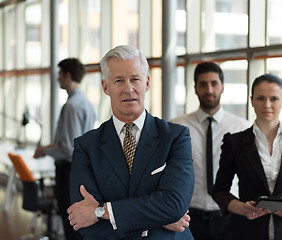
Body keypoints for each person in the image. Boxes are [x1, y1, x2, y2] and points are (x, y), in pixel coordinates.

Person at [66, 45, 195, 240]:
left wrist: (101, 211)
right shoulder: (86, 146)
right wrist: (158, 219)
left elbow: (174, 206)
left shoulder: (176, 137)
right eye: (119, 80)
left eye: (135, 79)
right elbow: (83, 221)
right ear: (105, 87)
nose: (129, 88)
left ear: (147, 83)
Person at [171, 62, 249, 240]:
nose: (209, 89)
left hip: (229, 219)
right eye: (203, 84)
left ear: (222, 86)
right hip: (189, 219)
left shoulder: (241, 127)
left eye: (214, 83)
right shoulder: (176, 127)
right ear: (195, 88)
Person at [212, 73, 282, 240]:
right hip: (247, 231)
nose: (267, 105)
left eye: (274, 98)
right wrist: (241, 208)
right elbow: (219, 191)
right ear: (251, 101)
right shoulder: (234, 142)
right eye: (260, 98)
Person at [34, 58, 95, 240]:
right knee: (79, 223)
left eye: (59, 75)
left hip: (68, 172)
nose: (58, 79)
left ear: (67, 76)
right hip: (82, 171)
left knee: (71, 224)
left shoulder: (70, 107)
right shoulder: (87, 104)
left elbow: (68, 149)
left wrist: (44, 151)